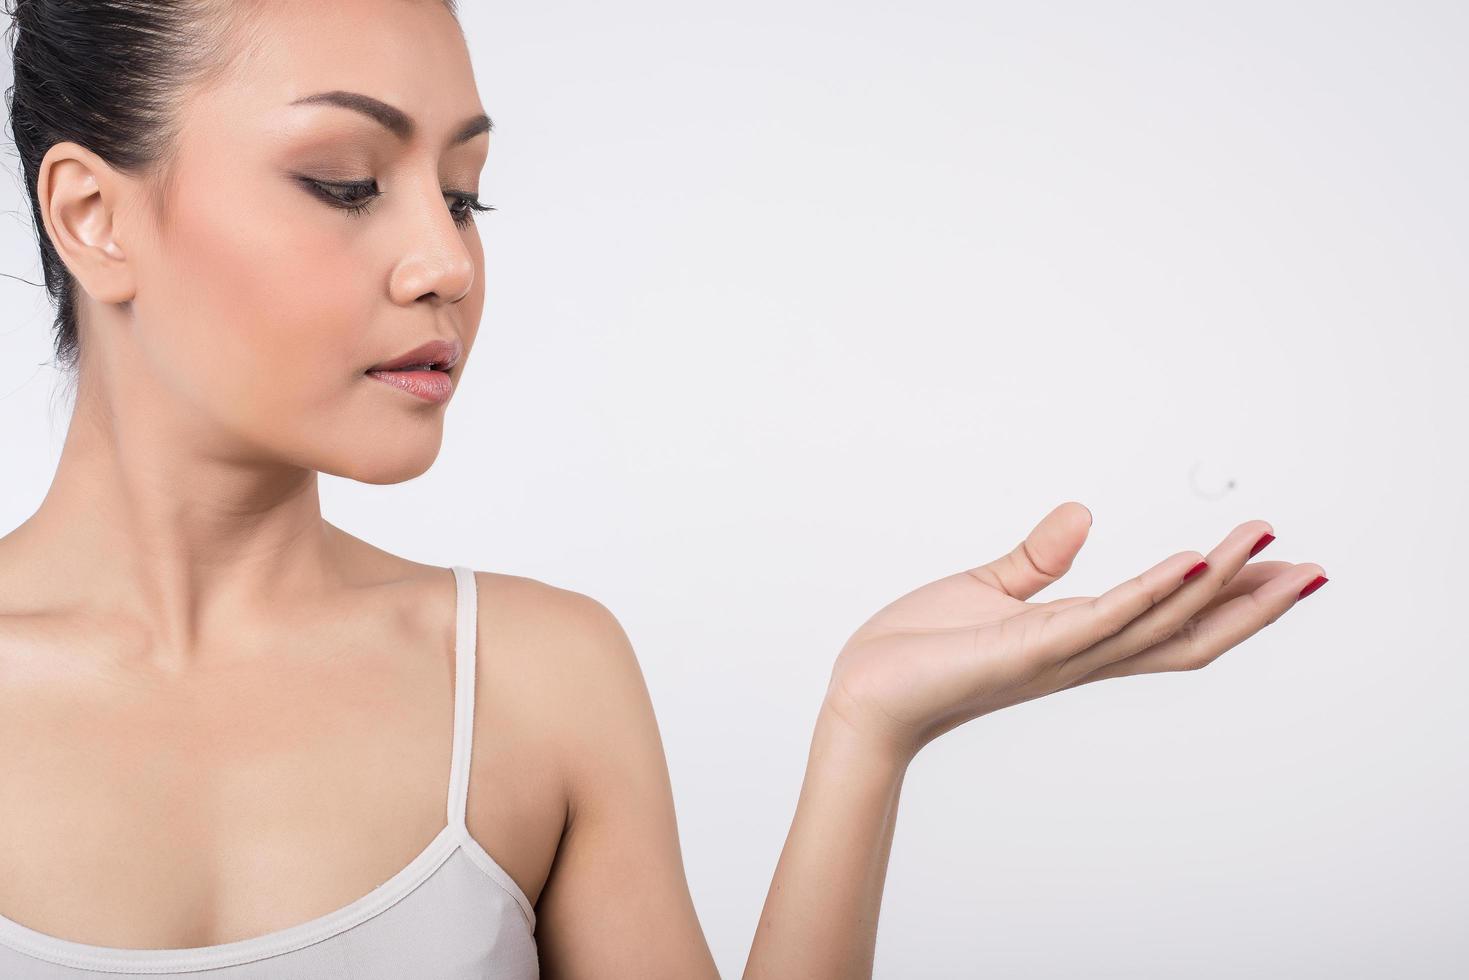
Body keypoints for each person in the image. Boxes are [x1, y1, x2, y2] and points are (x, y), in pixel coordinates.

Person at [0, 0, 1328, 977]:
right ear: (92, 216)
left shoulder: (535, 679)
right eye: (347, 182)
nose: (442, 265)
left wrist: (865, 740)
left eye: (466, 197)